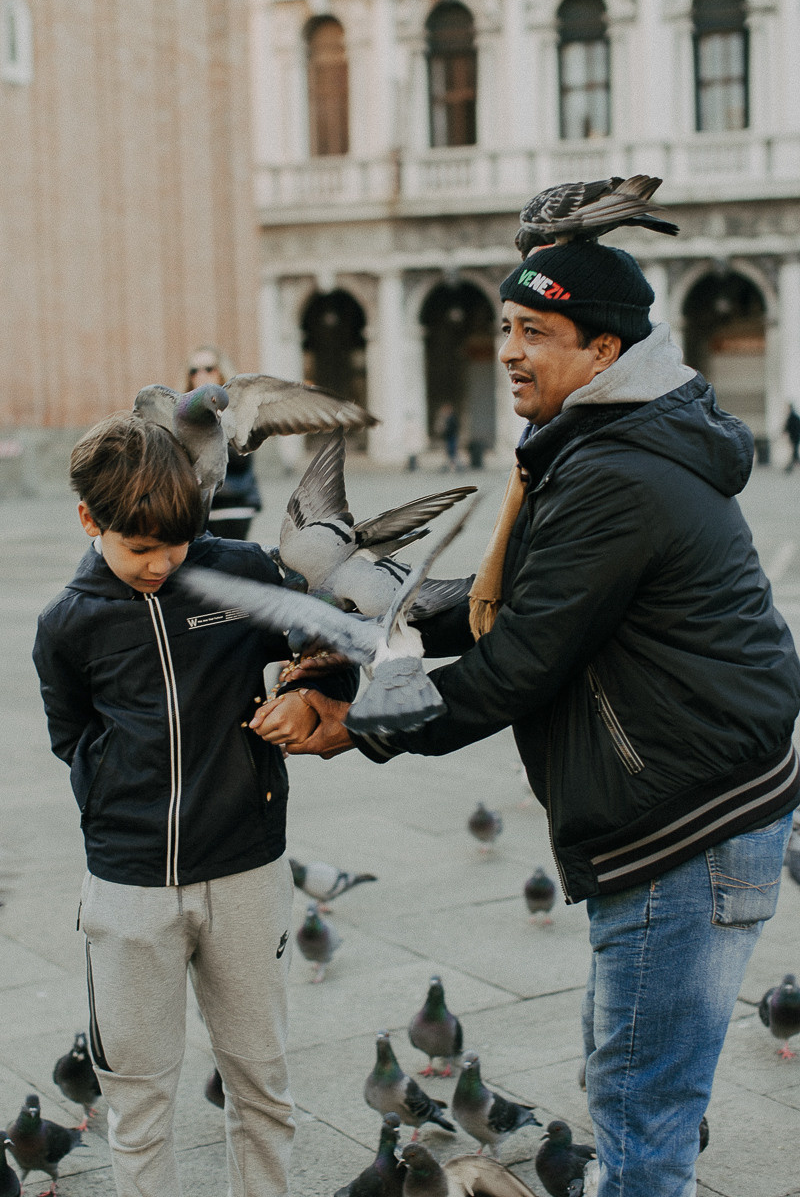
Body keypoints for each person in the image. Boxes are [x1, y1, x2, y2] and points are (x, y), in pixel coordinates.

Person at [250, 240, 800, 1197]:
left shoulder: (617, 474)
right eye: (505, 327)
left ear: (603, 350)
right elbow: (511, 599)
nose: (508, 349)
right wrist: (360, 635)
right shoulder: (602, 445)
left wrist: (355, 722)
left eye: (534, 332)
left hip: (689, 826)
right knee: (626, 1079)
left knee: (640, 1102)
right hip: (680, 808)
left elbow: (515, 666)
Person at [32, 413, 356, 1197]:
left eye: (175, 545)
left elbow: (334, 637)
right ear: (89, 520)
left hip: (247, 872)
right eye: (139, 547)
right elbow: (72, 737)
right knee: (138, 1103)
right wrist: (117, 812)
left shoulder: (240, 573)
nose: (160, 564)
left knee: (261, 1087)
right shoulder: (67, 624)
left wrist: (313, 693)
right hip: (130, 892)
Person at [185, 345, 262, 538]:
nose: (201, 375)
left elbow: (240, 456)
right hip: (196, 510)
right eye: (194, 370)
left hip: (233, 505)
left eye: (209, 368)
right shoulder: (182, 413)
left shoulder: (236, 409)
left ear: (221, 372)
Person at [783, 402, 800, 471]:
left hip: (795, 436)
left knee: (794, 452)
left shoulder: (792, 416)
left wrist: (784, 431)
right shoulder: (794, 416)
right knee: (794, 451)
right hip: (796, 436)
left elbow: (788, 426)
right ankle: (790, 466)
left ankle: (790, 467)